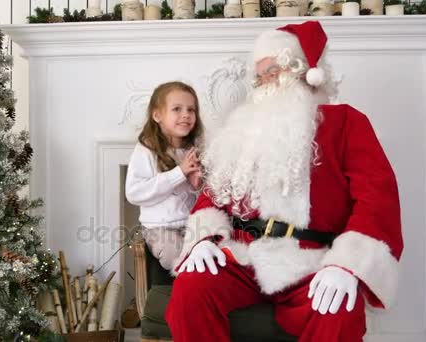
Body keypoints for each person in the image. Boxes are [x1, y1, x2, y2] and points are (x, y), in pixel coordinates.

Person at [164, 21, 403, 342]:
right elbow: (215, 192)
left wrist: (347, 266)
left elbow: (377, 200)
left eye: (272, 71)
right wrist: (201, 240)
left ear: (303, 71)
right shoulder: (246, 129)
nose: (262, 81)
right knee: (191, 289)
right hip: (245, 257)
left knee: (340, 311)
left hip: (315, 261)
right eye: (258, 74)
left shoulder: (347, 123)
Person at [125, 81, 205, 271]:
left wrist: (197, 185)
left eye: (191, 110)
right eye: (177, 109)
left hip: (191, 225)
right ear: (157, 115)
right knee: (177, 255)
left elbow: (200, 196)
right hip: (159, 229)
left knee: (212, 250)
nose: (186, 114)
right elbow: (134, 193)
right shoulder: (146, 150)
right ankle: (188, 293)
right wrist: (180, 172)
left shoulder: (193, 149)